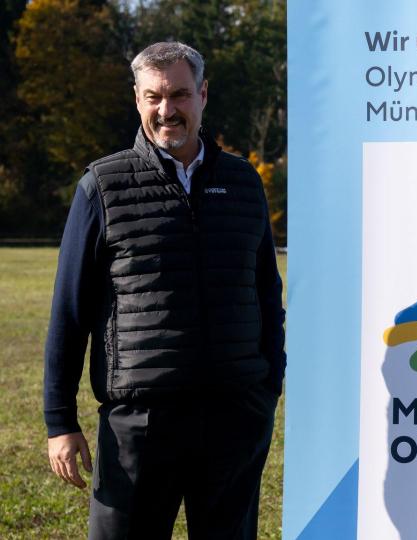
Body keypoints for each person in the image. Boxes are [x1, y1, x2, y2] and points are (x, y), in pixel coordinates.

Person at [43, 41, 285, 539]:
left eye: (178, 94)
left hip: (233, 418)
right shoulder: (102, 187)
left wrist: (266, 387)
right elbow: (70, 312)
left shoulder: (243, 183)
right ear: (137, 99)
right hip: (139, 424)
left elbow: (266, 295)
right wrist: (59, 421)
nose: (166, 110)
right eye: (153, 96)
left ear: (202, 95)